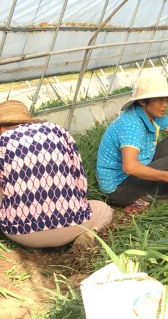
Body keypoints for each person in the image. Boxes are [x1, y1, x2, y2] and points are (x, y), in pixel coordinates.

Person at [0, 101, 113, 248]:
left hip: (20, 232)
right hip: (74, 225)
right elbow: (80, 180)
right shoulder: (58, 131)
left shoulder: (2, 141)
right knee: (105, 210)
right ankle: (90, 233)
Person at [96, 70, 168, 209]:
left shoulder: (153, 115)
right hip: (119, 188)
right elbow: (130, 167)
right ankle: (149, 199)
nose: (165, 104)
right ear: (142, 101)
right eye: (160, 99)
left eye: (166, 99)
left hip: (135, 172)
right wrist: (167, 176)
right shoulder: (131, 124)